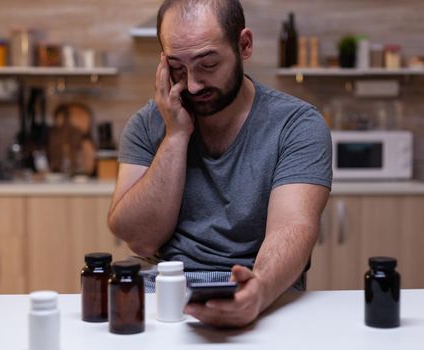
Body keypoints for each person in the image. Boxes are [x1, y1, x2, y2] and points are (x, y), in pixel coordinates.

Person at [108, 0, 332, 328]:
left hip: (265, 295)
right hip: (167, 294)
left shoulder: (297, 125)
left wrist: (257, 291)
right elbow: (140, 240)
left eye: (208, 64)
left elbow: (293, 227)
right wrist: (175, 136)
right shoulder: (148, 124)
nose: (193, 84)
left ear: (244, 45)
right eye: (177, 67)